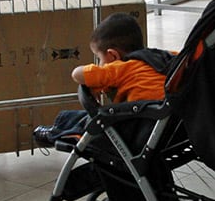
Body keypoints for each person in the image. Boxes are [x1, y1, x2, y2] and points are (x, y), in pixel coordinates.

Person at [32, 12, 172, 145]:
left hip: (140, 130)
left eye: (99, 58)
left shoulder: (121, 68)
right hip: (171, 127)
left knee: (93, 121)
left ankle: (56, 132)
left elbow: (77, 74)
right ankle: (58, 128)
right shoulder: (165, 57)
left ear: (113, 56)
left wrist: (96, 80)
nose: (99, 64)